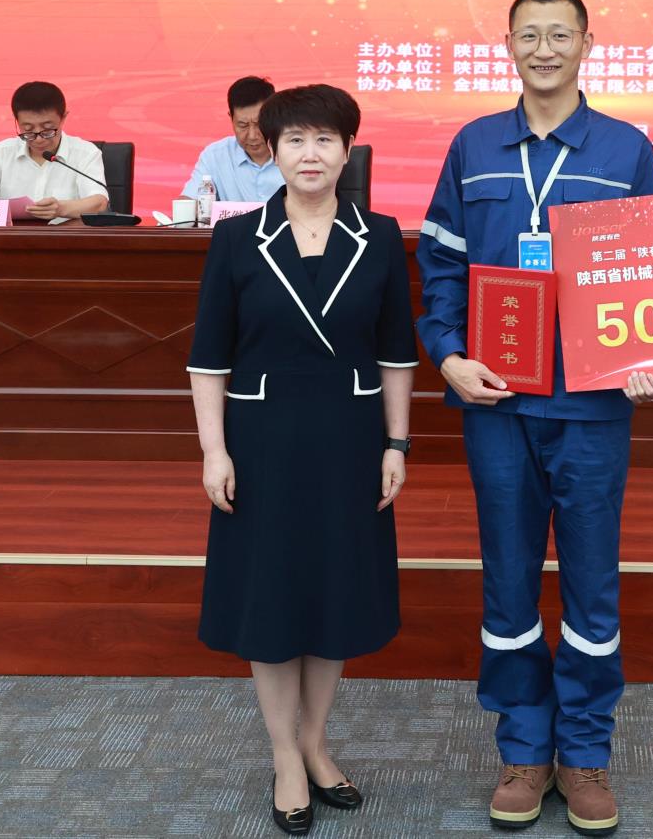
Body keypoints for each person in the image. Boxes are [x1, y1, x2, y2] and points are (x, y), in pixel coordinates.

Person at [416, 0, 653, 836]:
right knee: (509, 579)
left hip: (591, 406)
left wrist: (650, 355)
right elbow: (441, 265)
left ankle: (584, 751)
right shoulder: (474, 145)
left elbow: (649, 274)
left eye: (561, 34)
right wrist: (448, 354)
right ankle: (524, 747)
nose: (545, 48)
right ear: (509, 45)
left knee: (592, 585)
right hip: (496, 402)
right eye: (530, 34)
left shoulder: (627, 148)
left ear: (589, 44)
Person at [186, 84, 417, 835]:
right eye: (294, 140)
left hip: (349, 440)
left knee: (333, 595)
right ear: (272, 150)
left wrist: (396, 443)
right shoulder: (236, 238)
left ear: (348, 152)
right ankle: (284, 754)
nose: (309, 154)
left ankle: (316, 743)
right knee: (272, 598)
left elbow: (396, 352)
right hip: (262, 443)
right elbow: (208, 359)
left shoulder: (379, 236)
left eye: (324, 140)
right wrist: (214, 451)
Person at [0, 80, 109, 220]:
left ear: (63, 118)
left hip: (65, 237)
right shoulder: (2, 153)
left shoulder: (85, 153)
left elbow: (99, 202)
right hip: (11, 237)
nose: (38, 139)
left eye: (47, 129)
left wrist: (61, 209)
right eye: (28, 130)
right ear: (17, 121)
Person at [183, 75, 287, 204]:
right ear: (231, 118)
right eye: (243, 125)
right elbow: (189, 201)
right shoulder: (215, 156)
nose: (252, 136)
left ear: (273, 117)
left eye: (259, 124)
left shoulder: (293, 154)